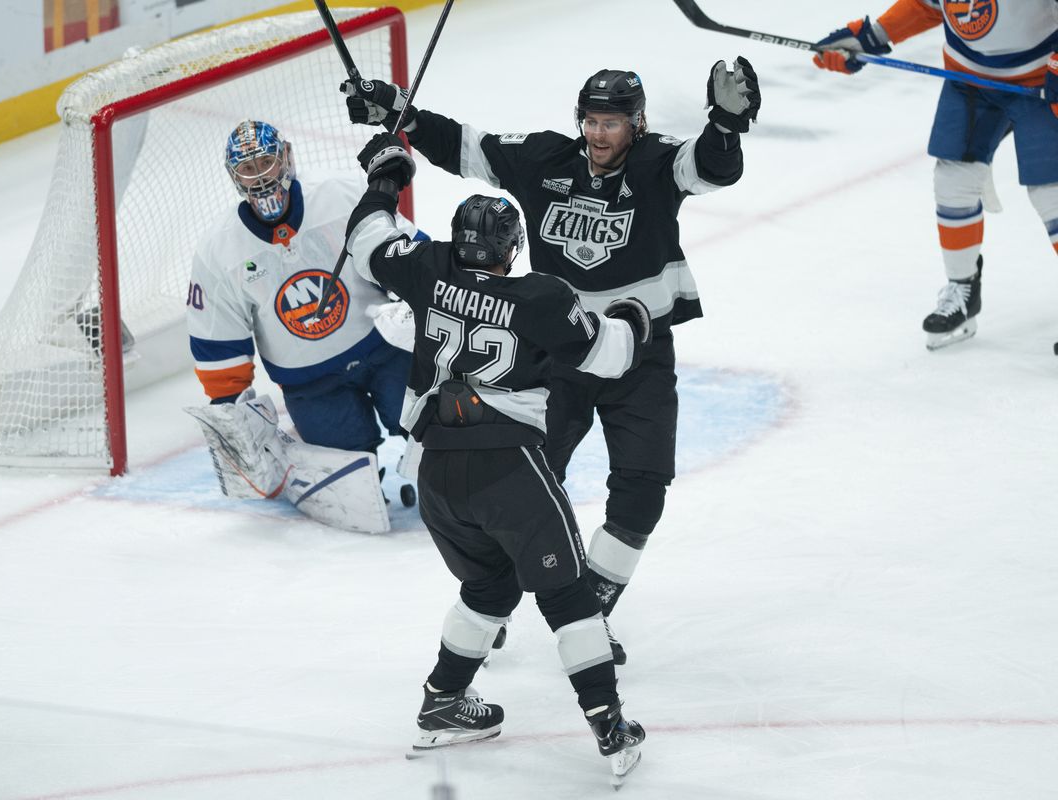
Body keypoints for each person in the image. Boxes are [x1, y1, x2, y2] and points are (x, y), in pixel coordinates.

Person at [341, 62, 761, 659]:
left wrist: (726, 123)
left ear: (636, 124)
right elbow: (466, 146)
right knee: (525, 489)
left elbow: (714, 166)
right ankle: (496, 598)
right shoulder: (546, 161)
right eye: (590, 121)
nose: (598, 134)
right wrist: (397, 111)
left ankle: (591, 605)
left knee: (643, 489)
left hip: (639, 356)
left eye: (611, 123)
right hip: (555, 355)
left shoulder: (658, 162)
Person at [345, 130, 650, 784]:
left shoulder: (427, 268)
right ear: (512, 250)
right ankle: (609, 725)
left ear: (458, 242)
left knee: (489, 586)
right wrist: (632, 319)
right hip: (506, 468)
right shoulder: (539, 297)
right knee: (567, 594)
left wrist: (386, 174)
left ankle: (444, 700)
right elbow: (609, 356)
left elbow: (368, 235)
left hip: (434, 475)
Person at [186, 121, 426, 506]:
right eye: (248, 168)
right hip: (311, 383)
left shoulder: (341, 197)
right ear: (234, 177)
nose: (260, 176)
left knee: (431, 425)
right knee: (346, 480)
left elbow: (412, 255)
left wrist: (425, 297)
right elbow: (218, 337)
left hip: (383, 350)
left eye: (266, 161)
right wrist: (229, 406)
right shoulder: (219, 251)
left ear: (287, 157)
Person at [813, 2, 1058, 350]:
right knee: (952, 182)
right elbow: (927, 4)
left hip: (1040, 82)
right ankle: (963, 290)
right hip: (969, 79)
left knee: (1052, 194)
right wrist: (871, 36)